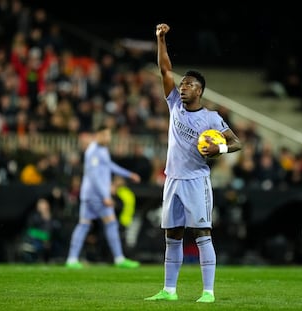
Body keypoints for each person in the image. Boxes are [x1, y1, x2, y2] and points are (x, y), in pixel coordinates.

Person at [144, 23, 242, 303]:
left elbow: (237, 142)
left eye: (189, 84)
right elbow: (164, 70)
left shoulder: (211, 119)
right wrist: (160, 40)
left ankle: (208, 292)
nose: (183, 87)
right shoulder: (173, 103)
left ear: (200, 91)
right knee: (172, 236)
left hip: (197, 180)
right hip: (172, 178)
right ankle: (169, 291)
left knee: (202, 234)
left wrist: (218, 147)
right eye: (183, 83)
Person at [65, 125, 141, 268]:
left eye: (108, 135)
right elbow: (94, 176)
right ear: (97, 135)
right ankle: (119, 259)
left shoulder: (102, 150)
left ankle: (71, 259)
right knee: (111, 224)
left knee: (83, 225)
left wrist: (128, 174)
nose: (107, 138)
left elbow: (110, 166)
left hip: (89, 194)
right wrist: (105, 195)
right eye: (104, 135)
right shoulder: (93, 151)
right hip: (95, 195)